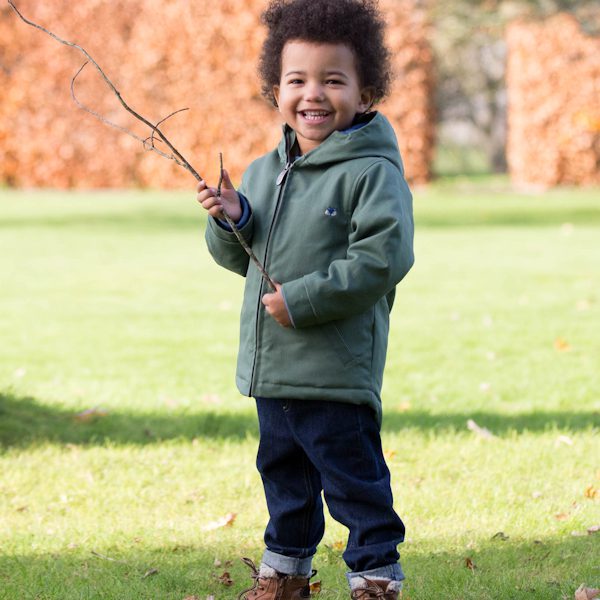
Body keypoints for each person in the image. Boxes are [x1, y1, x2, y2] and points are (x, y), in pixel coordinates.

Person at [196, 0, 414, 598]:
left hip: (333, 367)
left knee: (351, 479)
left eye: (332, 79)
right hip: (275, 369)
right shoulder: (265, 171)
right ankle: (285, 575)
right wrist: (233, 218)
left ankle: (375, 577)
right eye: (297, 80)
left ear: (366, 91)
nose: (312, 94)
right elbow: (241, 260)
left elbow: (382, 260)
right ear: (276, 90)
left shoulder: (371, 173)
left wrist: (307, 300)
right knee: (283, 475)